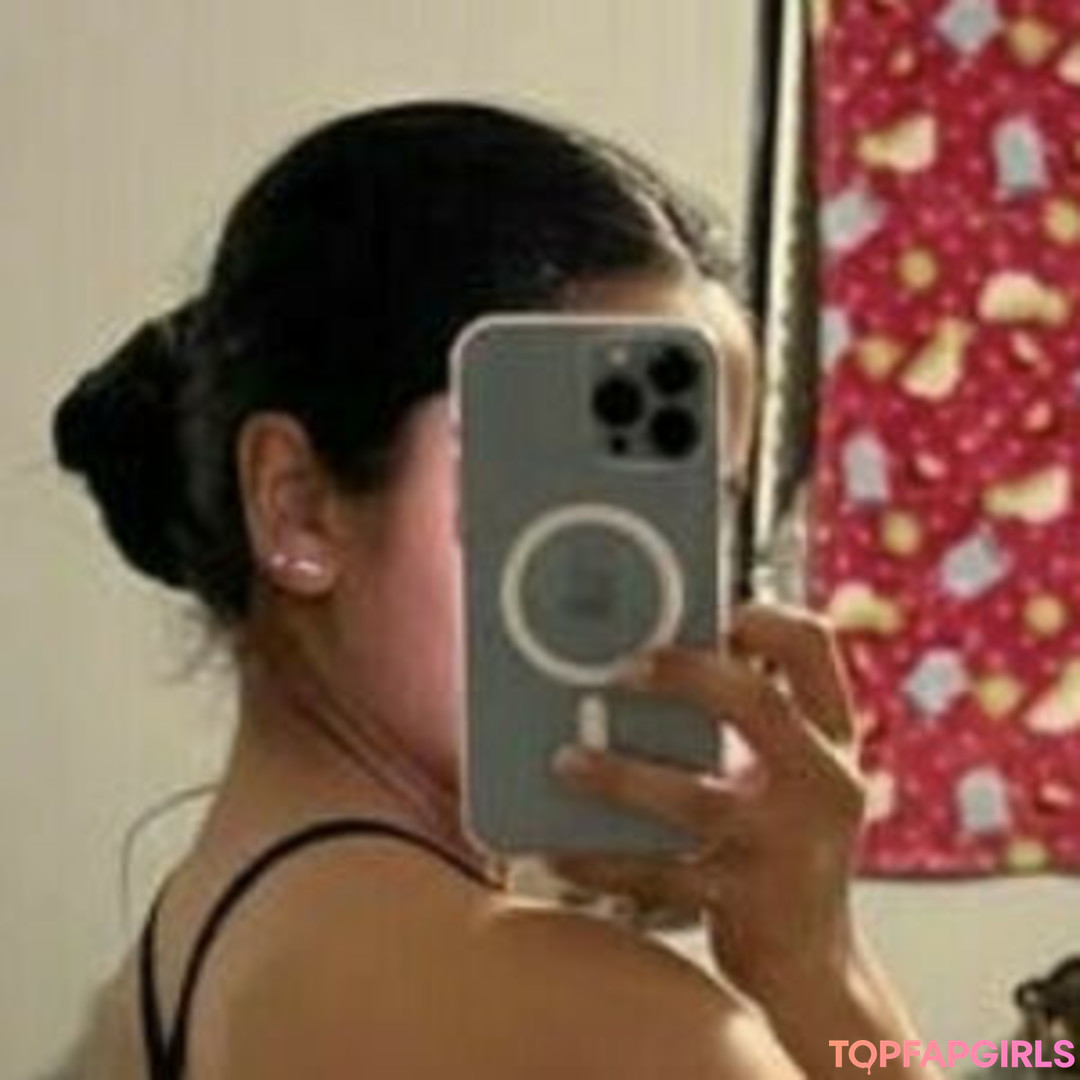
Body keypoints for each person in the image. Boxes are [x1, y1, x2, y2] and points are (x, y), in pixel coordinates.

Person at [50, 101, 940, 1079]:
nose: (617, 571)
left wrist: (800, 958)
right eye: (551, 480)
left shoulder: (178, 967)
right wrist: (828, 976)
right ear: (297, 505)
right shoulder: (618, 1030)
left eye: (686, 508)